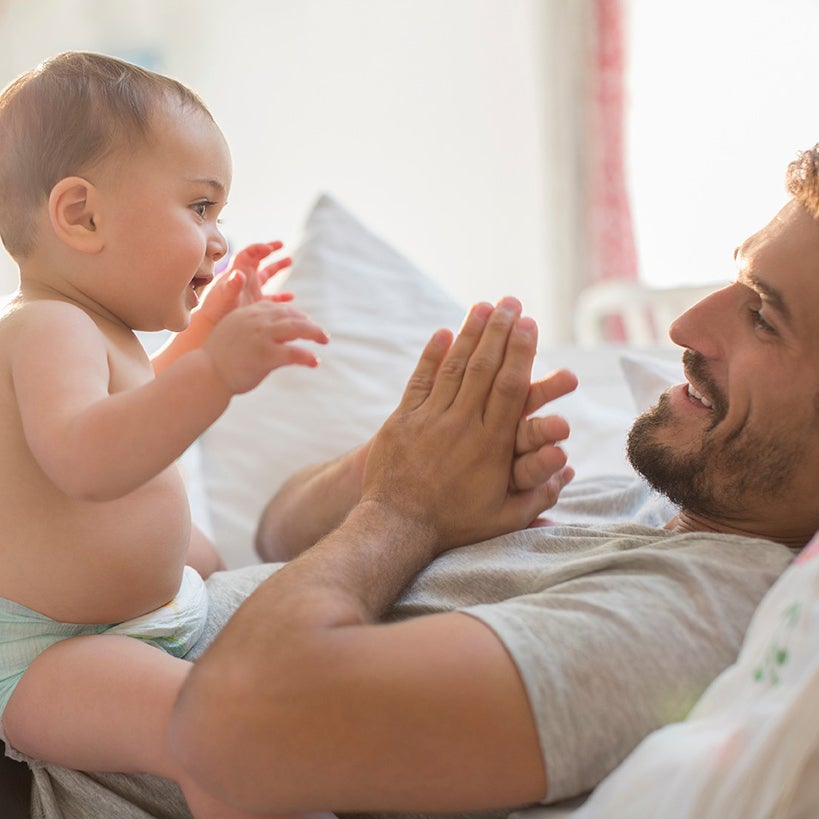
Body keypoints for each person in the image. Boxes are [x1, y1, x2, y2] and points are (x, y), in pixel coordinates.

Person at [166, 148, 819, 817]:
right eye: (733, 281)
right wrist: (401, 463)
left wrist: (404, 512)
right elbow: (277, 536)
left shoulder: (684, 617)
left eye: (763, 315)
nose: (685, 327)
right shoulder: (657, 499)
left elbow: (234, 729)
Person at [0, 51, 334, 819]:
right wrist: (213, 370)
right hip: (57, 652)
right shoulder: (44, 329)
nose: (217, 239)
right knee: (213, 731)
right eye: (199, 208)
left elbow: (142, 395)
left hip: (149, 610)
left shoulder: (99, 329)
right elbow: (88, 455)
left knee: (210, 559)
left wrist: (208, 328)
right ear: (81, 216)